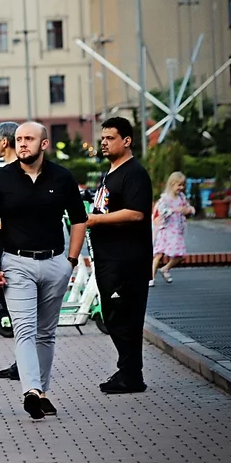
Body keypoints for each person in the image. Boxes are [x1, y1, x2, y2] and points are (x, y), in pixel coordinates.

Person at [0, 122, 87, 419]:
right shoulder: (1, 179)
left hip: (56, 262)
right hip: (16, 263)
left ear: (44, 144)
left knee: (46, 333)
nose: (22, 144)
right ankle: (31, 390)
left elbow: (79, 220)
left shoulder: (62, 177)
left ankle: (41, 390)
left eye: (29, 138)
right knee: (25, 329)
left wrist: (71, 260)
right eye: (18, 139)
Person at [88, 117, 153, 394]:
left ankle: (131, 375)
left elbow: (136, 213)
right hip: (109, 259)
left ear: (126, 141)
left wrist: (93, 220)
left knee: (124, 317)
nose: (104, 142)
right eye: (102, 138)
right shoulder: (111, 173)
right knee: (114, 316)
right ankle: (127, 371)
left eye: (110, 138)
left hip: (128, 260)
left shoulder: (134, 173)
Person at [0, 121, 22, 382]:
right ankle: (21, 361)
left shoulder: (14, 172)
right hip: (2, 247)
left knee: (19, 309)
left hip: (14, 250)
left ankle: (24, 363)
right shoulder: (2, 171)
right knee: (11, 307)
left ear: (4, 142)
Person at [152, 171, 193, 286]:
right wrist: (173, 211)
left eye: (183, 185)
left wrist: (189, 210)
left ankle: (165, 268)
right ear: (171, 185)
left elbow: (187, 207)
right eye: (179, 185)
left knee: (181, 255)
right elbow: (161, 211)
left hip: (176, 230)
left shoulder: (181, 198)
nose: (181, 188)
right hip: (166, 229)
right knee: (159, 255)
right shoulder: (165, 199)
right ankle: (151, 277)